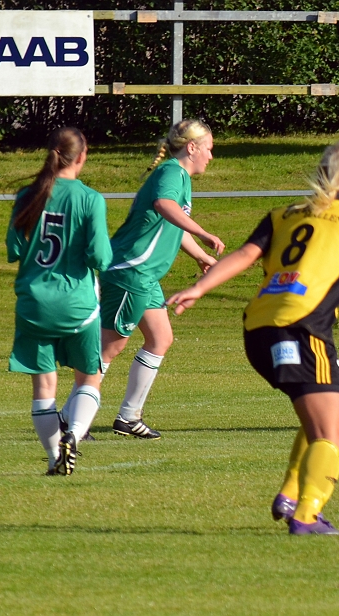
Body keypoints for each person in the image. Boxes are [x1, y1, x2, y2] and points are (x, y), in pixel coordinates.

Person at [167, 142, 339, 535]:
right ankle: (307, 515)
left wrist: (199, 288)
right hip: (302, 331)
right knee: (329, 433)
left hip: (258, 331)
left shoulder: (282, 215)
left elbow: (242, 256)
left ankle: (291, 492)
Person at [89, 119, 225, 440]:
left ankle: (128, 417)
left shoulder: (180, 177)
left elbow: (173, 224)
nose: (211, 156)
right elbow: (164, 205)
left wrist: (201, 255)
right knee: (109, 348)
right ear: (191, 148)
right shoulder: (171, 172)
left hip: (145, 277)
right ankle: (71, 417)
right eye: (208, 149)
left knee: (160, 338)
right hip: (131, 271)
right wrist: (203, 233)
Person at [7, 127, 112, 475]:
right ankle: (76, 436)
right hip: (77, 304)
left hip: (34, 304)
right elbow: (100, 256)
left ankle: (55, 459)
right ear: (81, 157)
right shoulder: (90, 198)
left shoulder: (27, 196)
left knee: (44, 385)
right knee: (89, 377)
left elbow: (15, 249)